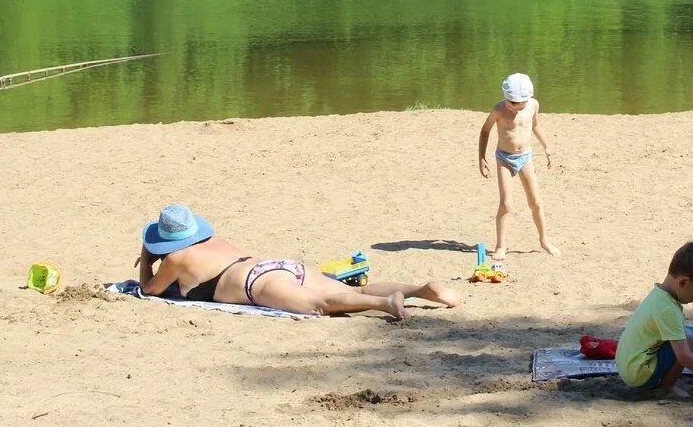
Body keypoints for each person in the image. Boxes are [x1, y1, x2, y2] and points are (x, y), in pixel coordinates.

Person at [136, 204, 460, 320]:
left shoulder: (176, 258)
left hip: (257, 284)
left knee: (318, 305)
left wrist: (148, 258)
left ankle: (385, 303)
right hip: (278, 265)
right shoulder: (214, 241)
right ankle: (419, 289)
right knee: (347, 291)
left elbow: (150, 290)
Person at [615, 241, 693, 398]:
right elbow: (684, 357)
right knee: (687, 340)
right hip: (639, 373)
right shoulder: (668, 309)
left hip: (630, 366)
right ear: (683, 282)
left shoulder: (659, 295)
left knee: (685, 338)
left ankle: (664, 383)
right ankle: (666, 388)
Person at [477, 73, 558, 259]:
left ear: (526, 99)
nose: (511, 106)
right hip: (504, 158)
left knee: (536, 201)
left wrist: (547, 146)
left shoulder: (533, 106)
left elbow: (535, 126)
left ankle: (544, 240)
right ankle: (500, 246)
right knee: (506, 204)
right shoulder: (499, 109)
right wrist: (481, 157)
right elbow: (485, 130)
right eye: (509, 101)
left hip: (525, 157)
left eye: (516, 104)